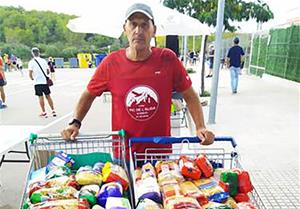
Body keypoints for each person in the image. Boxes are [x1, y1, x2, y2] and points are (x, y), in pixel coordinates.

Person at [61, 3, 214, 158]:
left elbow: (190, 95)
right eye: (133, 24)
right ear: (125, 29)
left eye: (144, 25)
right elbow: (88, 94)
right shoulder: (111, 62)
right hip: (124, 153)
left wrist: (200, 127)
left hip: (159, 153)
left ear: (154, 31)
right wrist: (75, 123)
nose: (138, 31)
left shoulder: (167, 59)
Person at [28, 47, 57, 117]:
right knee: (48, 96)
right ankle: (53, 110)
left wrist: (32, 78)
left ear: (32, 54)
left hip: (37, 82)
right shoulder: (44, 61)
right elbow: (48, 70)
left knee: (40, 97)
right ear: (39, 53)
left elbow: (30, 73)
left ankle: (44, 112)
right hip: (44, 82)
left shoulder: (31, 62)